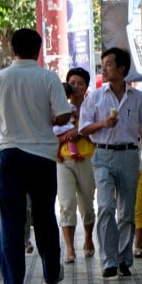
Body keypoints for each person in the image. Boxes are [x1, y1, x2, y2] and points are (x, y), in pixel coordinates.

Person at [0, 28, 73, 284]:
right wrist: (45, 119)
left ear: (12, 48)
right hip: (42, 155)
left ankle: (12, 283)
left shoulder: (0, 78)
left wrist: (11, 119)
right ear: (39, 49)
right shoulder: (48, 77)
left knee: (12, 217)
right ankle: (51, 273)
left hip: (9, 154)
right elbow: (63, 115)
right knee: (44, 214)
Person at [79, 47, 142, 278]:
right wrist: (102, 124)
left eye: (109, 64)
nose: (104, 67)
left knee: (126, 210)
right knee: (105, 207)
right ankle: (108, 261)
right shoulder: (95, 97)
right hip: (102, 155)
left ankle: (124, 259)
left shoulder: (138, 98)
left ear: (122, 68)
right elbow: (83, 127)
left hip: (129, 155)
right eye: (103, 64)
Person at [55, 67, 97, 264]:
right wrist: (64, 137)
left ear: (86, 86)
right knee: (66, 204)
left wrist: (80, 132)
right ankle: (69, 248)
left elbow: (100, 134)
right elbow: (51, 131)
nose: (76, 87)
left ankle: (88, 238)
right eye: (72, 83)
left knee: (87, 203)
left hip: (88, 158)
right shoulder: (60, 108)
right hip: (63, 161)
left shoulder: (93, 107)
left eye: (80, 83)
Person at [54, 83, 83, 162]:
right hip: (67, 127)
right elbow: (76, 114)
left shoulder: (54, 106)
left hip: (56, 128)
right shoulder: (70, 106)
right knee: (71, 138)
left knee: (58, 142)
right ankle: (73, 152)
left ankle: (58, 154)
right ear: (69, 96)